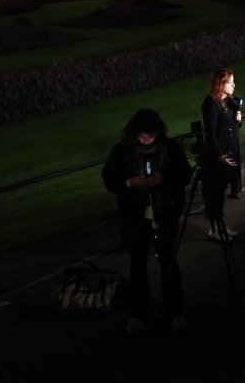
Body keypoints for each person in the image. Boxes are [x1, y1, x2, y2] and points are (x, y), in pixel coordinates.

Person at [102, 109, 193, 335]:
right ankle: (137, 314)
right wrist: (130, 183)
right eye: (142, 137)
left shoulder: (170, 148)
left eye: (150, 137)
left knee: (168, 262)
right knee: (137, 265)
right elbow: (109, 178)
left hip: (165, 213)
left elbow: (184, 174)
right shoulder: (122, 151)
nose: (146, 141)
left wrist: (164, 179)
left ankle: (175, 310)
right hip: (135, 215)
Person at [200, 68, 242, 240]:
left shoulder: (230, 101)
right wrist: (219, 154)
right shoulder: (211, 103)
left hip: (232, 147)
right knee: (215, 190)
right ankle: (215, 228)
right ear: (220, 83)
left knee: (223, 188)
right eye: (230, 81)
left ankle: (221, 225)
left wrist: (238, 120)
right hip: (220, 152)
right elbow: (210, 131)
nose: (233, 84)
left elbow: (232, 126)